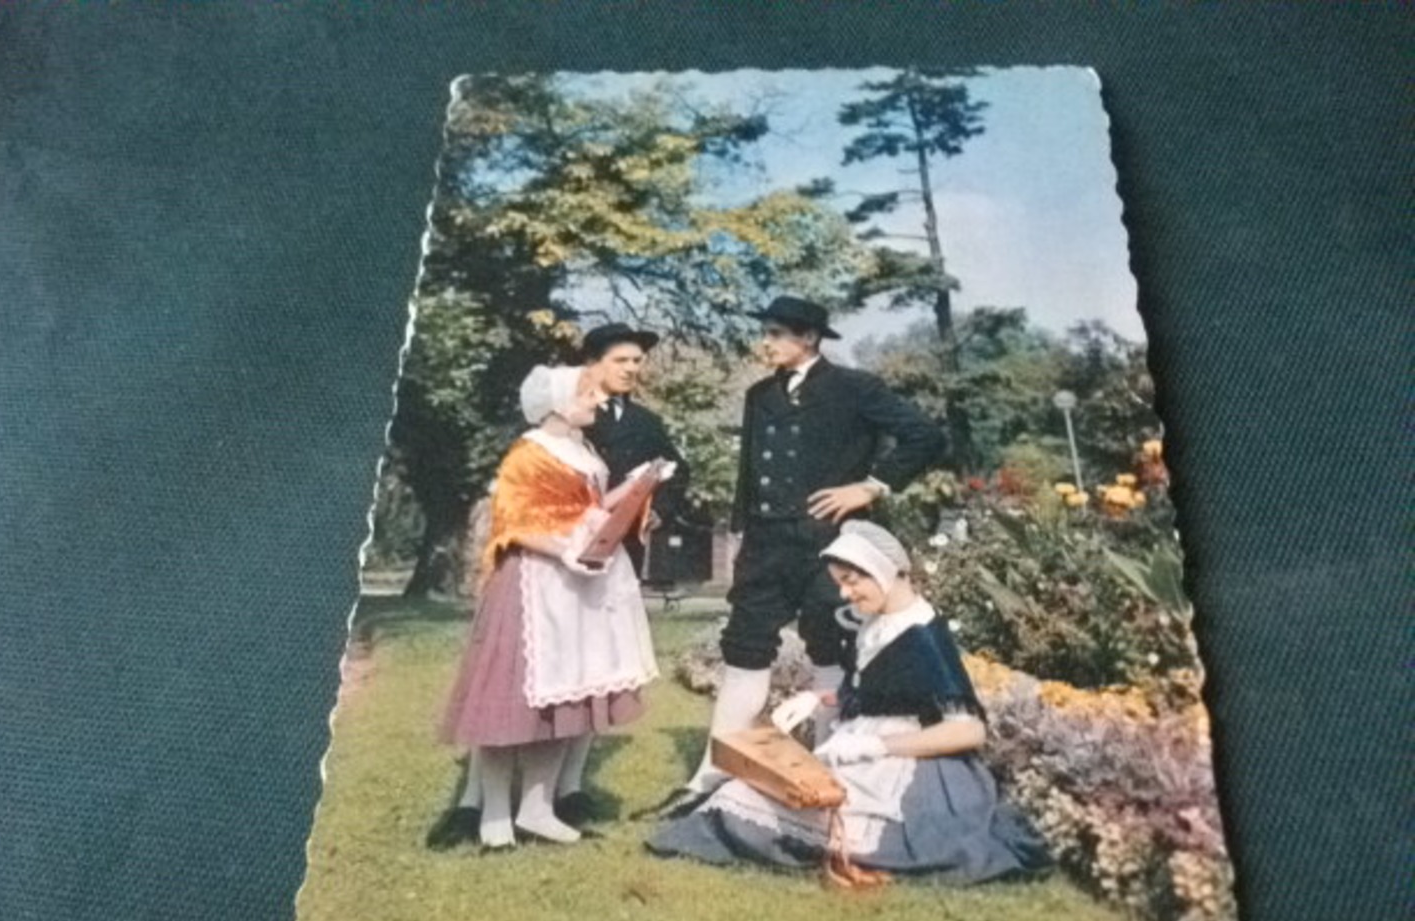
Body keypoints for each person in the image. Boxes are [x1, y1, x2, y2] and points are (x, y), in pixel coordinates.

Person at [652, 295, 947, 816]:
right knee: (744, 650)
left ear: (808, 338)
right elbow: (750, 470)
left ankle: (832, 775)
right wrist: (744, 529)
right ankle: (712, 775)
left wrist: (870, 487)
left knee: (829, 650)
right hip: (765, 548)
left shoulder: (854, 388)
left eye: (774, 333)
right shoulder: (758, 395)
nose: (764, 342)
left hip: (830, 549)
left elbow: (925, 435)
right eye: (764, 331)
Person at [647, 520, 1050, 884]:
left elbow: (968, 729)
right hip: (862, 745)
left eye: (853, 580)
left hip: (911, 767)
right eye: (840, 581)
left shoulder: (922, 635)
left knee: (748, 805)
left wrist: (876, 745)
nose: (844, 592)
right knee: (741, 795)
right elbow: (882, 688)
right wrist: (817, 698)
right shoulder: (877, 621)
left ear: (888, 573)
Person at [437, 364, 663, 849]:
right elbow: (511, 522)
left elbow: (590, 510)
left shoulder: (584, 450)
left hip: (580, 585)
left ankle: (537, 810)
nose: (598, 402)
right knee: (509, 701)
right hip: (534, 583)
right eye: (587, 393)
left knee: (568, 698)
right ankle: (494, 817)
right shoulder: (528, 453)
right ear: (559, 403)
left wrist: (637, 490)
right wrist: (563, 549)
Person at [580, 322, 691, 574]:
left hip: (625, 545)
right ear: (592, 363)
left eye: (636, 361)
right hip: (569, 540)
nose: (631, 369)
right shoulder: (569, 412)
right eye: (620, 360)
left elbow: (677, 471)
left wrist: (658, 511)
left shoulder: (646, 422)